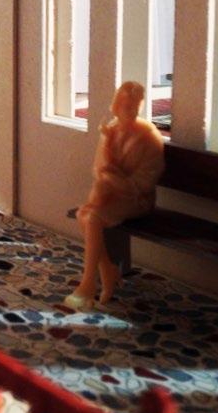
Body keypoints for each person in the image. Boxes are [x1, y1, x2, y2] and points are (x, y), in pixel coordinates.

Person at [64, 81, 164, 310]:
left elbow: (144, 183)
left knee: (91, 216)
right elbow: (99, 169)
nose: (129, 111)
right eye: (124, 106)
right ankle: (107, 270)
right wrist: (107, 161)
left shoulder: (149, 137)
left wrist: (112, 179)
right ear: (116, 105)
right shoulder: (111, 130)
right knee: (84, 214)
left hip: (137, 200)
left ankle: (89, 283)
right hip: (111, 196)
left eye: (134, 106)